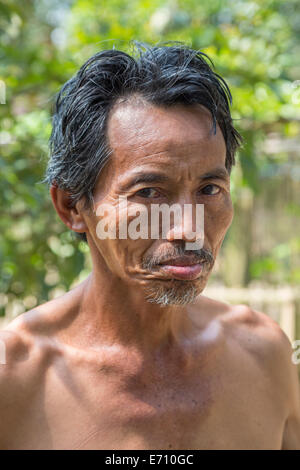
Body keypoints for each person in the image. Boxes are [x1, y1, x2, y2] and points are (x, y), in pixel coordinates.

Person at [0, 43, 299, 450]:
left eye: (209, 189)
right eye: (149, 192)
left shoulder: (264, 355)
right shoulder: (16, 379)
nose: (188, 229)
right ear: (71, 206)